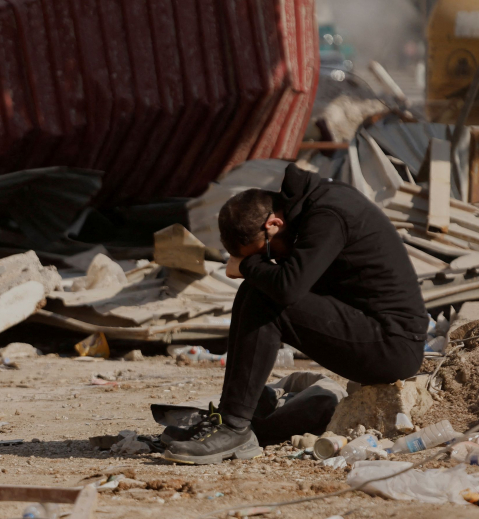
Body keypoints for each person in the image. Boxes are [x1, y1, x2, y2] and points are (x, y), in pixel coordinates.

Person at [163, 163, 429, 465]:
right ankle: (231, 418)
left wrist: (247, 265)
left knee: (266, 297)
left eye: (266, 252)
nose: (271, 258)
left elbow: (289, 287)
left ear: (274, 223)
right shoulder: (311, 207)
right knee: (255, 290)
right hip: (367, 326)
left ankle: (235, 426)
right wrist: (254, 267)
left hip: (392, 347)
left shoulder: (328, 214)